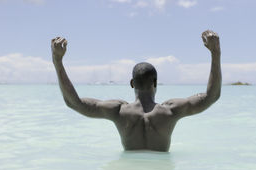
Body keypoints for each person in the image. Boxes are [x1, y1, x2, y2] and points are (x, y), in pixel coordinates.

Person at [51, 30, 221, 152]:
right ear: (156, 82)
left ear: (132, 83)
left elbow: (74, 103)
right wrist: (215, 52)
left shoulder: (118, 111)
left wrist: (57, 61)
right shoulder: (171, 110)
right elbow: (211, 97)